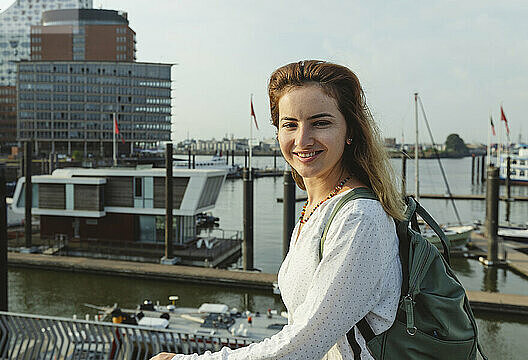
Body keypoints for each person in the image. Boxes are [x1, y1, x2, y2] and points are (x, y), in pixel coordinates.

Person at [151, 60, 406, 360]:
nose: (302, 140)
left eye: (320, 122)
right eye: (290, 124)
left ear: (350, 130)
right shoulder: (317, 207)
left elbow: (305, 342)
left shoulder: (359, 218)